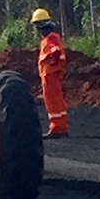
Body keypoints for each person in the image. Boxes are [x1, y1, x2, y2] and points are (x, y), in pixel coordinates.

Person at [31, 8, 68, 139]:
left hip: (50, 74)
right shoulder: (52, 37)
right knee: (56, 100)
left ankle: (57, 128)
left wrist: (53, 63)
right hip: (50, 74)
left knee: (53, 101)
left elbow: (56, 51)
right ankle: (61, 126)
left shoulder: (51, 38)